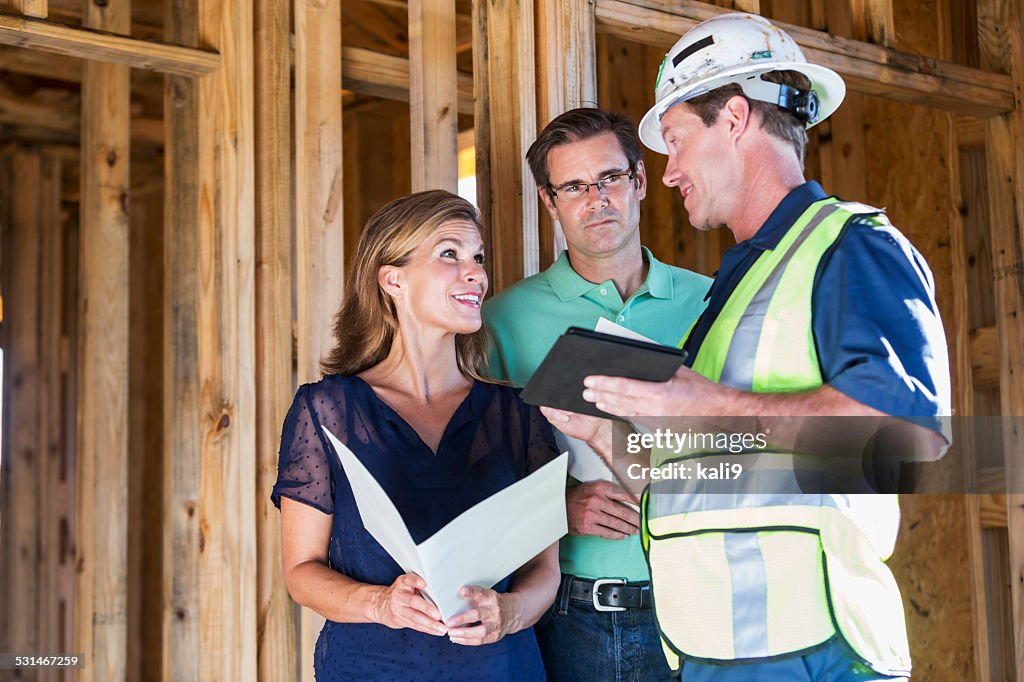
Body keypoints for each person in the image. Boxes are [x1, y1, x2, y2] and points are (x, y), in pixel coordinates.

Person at [542, 12, 951, 682]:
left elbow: (905, 440)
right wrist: (607, 440)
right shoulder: (733, 291)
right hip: (714, 655)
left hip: (815, 654)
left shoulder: (850, 247)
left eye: (674, 141)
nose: (667, 173)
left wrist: (708, 410)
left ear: (734, 119)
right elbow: (711, 485)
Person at [272, 190, 561, 681]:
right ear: (393, 279)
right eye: (450, 254)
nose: (475, 272)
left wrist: (509, 612)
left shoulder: (517, 412)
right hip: (369, 669)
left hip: (499, 669)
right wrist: (380, 603)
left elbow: (544, 572)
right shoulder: (325, 410)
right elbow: (301, 572)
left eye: (478, 257)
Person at [483, 107, 711, 681]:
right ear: (549, 201)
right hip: (575, 616)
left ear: (638, 182)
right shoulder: (503, 321)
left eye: (610, 178)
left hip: (705, 600)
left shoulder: (712, 303)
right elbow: (470, 474)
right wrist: (556, 510)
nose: (597, 199)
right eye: (575, 187)